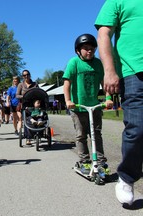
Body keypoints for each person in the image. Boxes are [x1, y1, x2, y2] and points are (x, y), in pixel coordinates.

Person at [95, 0, 143, 206]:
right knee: (137, 128)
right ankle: (127, 177)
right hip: (134, 73)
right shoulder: (117, 1)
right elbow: (104, 34)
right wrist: (109, 70)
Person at [63, 33, 113, 176]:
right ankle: (84, 161)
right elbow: (67, 84)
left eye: (92, 48)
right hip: (78, 107)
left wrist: (108, 98)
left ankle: (101, 163)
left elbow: (104, 82)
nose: (89, 51)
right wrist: (68, 101)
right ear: (78, 50)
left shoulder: (98, 64)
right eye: (86, 48)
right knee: (81, 135)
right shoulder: (74, 63)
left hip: (95, 106)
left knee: (96, 134)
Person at [16, 69, 39, 145]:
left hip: (34, 105)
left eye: (27, 74)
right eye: (24, 75)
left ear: (30, 75)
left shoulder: (35, 84)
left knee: (36, 118)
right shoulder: (20, 85)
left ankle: (37, 134)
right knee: (26, 120)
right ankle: (28, 138)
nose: (26, 76)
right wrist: (24, 96)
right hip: (25, 105)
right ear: (22, 76)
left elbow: (39, 93)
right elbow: (17, 95)